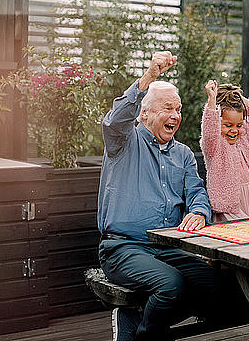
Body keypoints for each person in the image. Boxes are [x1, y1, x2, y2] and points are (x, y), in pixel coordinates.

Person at [97, 51, 220, 341]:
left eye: (178, 110)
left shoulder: (184, 154)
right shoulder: (123, 140)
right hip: (123, 247)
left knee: (219, 285)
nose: (175, 116)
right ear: (145, 113)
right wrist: (150, 75)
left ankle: (137, 319)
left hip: (170, 247)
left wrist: (199, 212)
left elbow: (197, 192)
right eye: (167, 108)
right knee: (171, 286)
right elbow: (114, 120)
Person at [200, 78, 249, 222]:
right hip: (230, 206)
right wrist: (212, 101)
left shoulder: (243, 137)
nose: (234, 130)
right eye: (228, 125)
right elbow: (209, 129)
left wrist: (239, 98)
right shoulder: (214, 145)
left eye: (239, 125)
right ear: (218, 122)